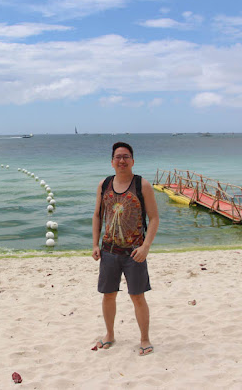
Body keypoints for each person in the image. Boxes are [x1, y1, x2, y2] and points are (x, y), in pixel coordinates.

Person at [92, 141, 159, 356]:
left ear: (133, 161)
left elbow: (154, 218)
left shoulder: (142, 185)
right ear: (112, 162)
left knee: (138, 296)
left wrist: (146, 246)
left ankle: (145, 339)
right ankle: (110, 334)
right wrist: (95, 244)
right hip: (109, 251)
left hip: (134, 253)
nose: (122, 160)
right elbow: (97, 216)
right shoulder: (104, 185)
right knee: (108, 295)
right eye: (118, 157)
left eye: (126, 157)